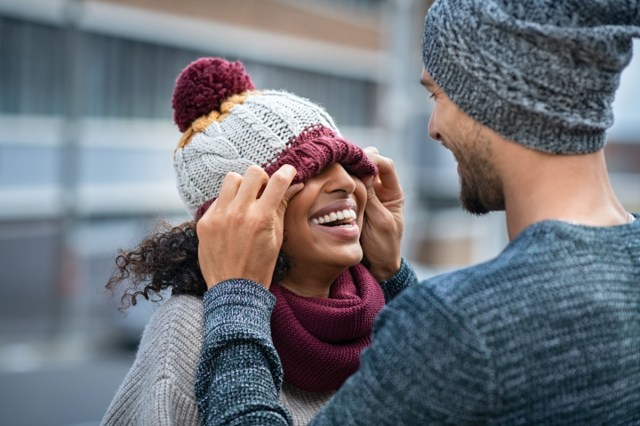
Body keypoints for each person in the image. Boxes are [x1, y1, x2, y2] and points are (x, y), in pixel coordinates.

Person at [194, 0, 640, 424]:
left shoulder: (461, 325)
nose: (434, 128)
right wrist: (392, 274)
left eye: (437, 96)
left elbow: (457, 349)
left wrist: (236, 299)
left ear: (490, 95)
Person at [100, 57, 408, 426]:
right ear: (240, 217)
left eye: (348, 163)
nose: (345, 182)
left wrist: (393, 275)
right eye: (312, 168)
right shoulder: (190, 329)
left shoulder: (389, 314)